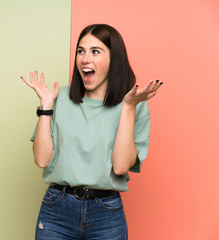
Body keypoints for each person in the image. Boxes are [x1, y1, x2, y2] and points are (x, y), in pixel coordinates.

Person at [21, 24, 163, 240]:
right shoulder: (59, 97)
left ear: (113, 59)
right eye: (81, 51)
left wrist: (127, 108)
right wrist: (47, 105)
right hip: (56, 210)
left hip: (106, 214)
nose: (85, 59)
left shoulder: (135, 104)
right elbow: (41, 160)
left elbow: (121, 166)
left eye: (95, 51)